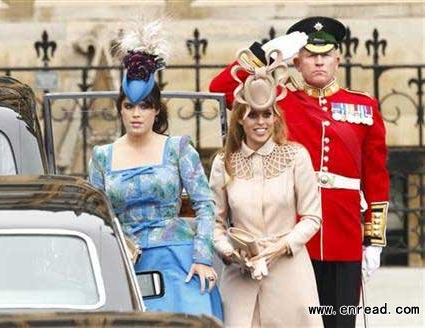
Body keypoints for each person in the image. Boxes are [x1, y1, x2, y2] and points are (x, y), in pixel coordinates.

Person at [210, 16, 390, 328]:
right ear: (297, 59)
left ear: (337, 57)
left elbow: (376, 177)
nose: (318, 62)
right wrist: (265, 52)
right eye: (310, 54)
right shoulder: (280, 99)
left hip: (343, 235)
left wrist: (373, 241)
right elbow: (221, 89)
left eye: (325, 55)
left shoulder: (363, 107)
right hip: (289, 235)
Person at [88, 19, 222, 320]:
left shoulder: (177, 149)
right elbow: (95, 216)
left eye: (144, 106)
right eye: (129, 106)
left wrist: (201, 257)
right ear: (120, 108)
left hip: (178, 259)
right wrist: (119, 243)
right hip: (126, 259)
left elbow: (205, 206)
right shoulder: (102, 156)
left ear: (157, 109)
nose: (136, 114)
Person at [209, 48, 323, 327]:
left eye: (266, 114)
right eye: (252, 115)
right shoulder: (224, 163)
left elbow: (312, 217)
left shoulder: (296, 156)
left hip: (290, 271)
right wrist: (229, 252)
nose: (260, 122)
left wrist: (282, 246)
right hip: (240, 276)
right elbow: (214, 221)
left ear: (275, 117)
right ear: (240, 119)